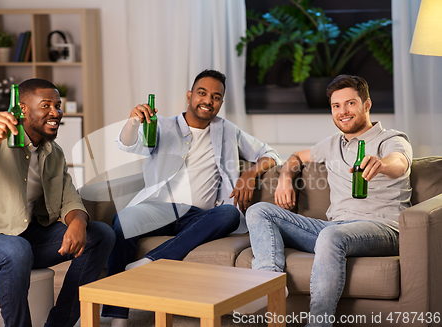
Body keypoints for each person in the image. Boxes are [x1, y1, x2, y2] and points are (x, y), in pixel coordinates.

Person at [102, 69, 281, 326]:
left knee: (230, 213)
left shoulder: (228, 130)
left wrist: (250, 173)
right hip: (158, 208)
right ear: (189, 95)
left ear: (221, 103)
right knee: (123, 222)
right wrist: (132, 122)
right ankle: (116, 315)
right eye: (202, 93)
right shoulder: (160, 125)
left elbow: (271, 153)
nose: (208, 100)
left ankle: (152, 261)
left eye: (216, 96)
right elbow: (128, 145)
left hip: (199, 215)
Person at [0, 78, 115, 327]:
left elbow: (69, 197)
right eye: (46, 105)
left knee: (101, 234)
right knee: (16, 250)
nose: (55, 112)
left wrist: (78, 221)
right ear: (22, 108)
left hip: (20, 238)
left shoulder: (53, 152)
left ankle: (59, 324)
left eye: (57, 105)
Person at [246, 75, 412, 327]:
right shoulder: (332, 143)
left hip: (383, 228)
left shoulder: (391, 139)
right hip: (335, 229)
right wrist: (285, 178)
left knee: (331, 236)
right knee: (259, 211)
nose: (343, 112)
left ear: (367, 104)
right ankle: (271, 290)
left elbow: (399, 163)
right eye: (336, 106)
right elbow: (295, 157)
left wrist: (381, 164)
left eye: (350, 104)